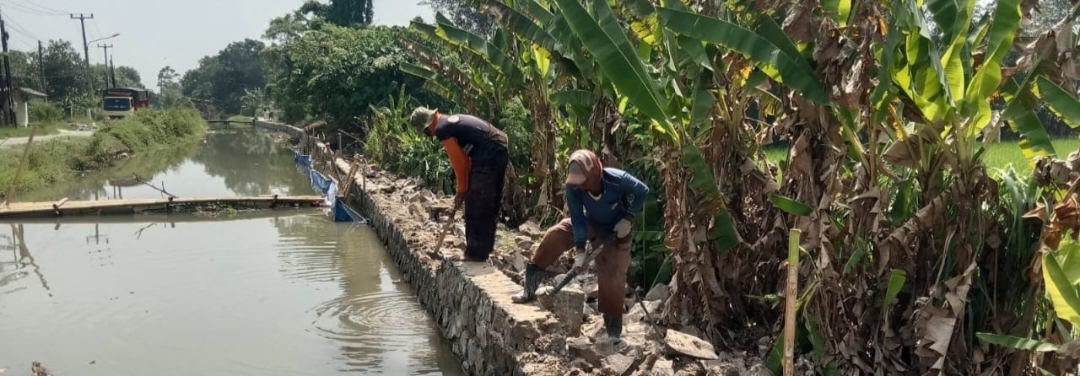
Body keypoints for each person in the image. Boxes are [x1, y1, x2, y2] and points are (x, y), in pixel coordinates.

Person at [512, 149, 649, 343]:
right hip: (589, 222)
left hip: (617, 231)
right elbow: (577, 219)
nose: (581, 185)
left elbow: (643, 191)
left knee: (612, 273)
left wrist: (628, 218)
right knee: (555, 235)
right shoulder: (573, 187)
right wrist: (580, 251)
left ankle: (612, 331)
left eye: (584, 180)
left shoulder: (617, 180)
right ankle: (529, 289)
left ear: (594, 174)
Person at [409, 106, 509, 262]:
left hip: (489, 150)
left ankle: (475, 254)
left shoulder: (442, 128)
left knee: (476, 202)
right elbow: (467, 160)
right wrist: (464, 187)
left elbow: (460, 163)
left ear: (427, 125)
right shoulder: (450, 122)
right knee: (488, 200)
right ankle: (483, 250)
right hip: (498, 145)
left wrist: (462, 190)